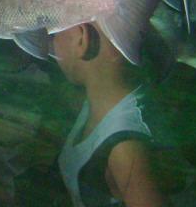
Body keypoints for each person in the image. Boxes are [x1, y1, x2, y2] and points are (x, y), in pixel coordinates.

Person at [53, 22, 163, 207]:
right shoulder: (98, 104)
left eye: (54, 31)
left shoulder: (125, 148)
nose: (51, 42)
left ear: (82, 39)